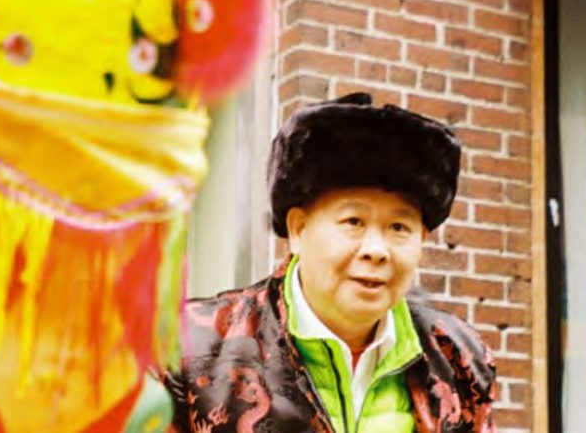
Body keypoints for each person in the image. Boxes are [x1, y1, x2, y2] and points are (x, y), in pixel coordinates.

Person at [163, 93, 496, 432]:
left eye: (399, 227)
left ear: (421, 240)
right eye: (353, 221)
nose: (377, 250)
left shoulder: (458, 357)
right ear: (298, 229)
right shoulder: (186, 348)